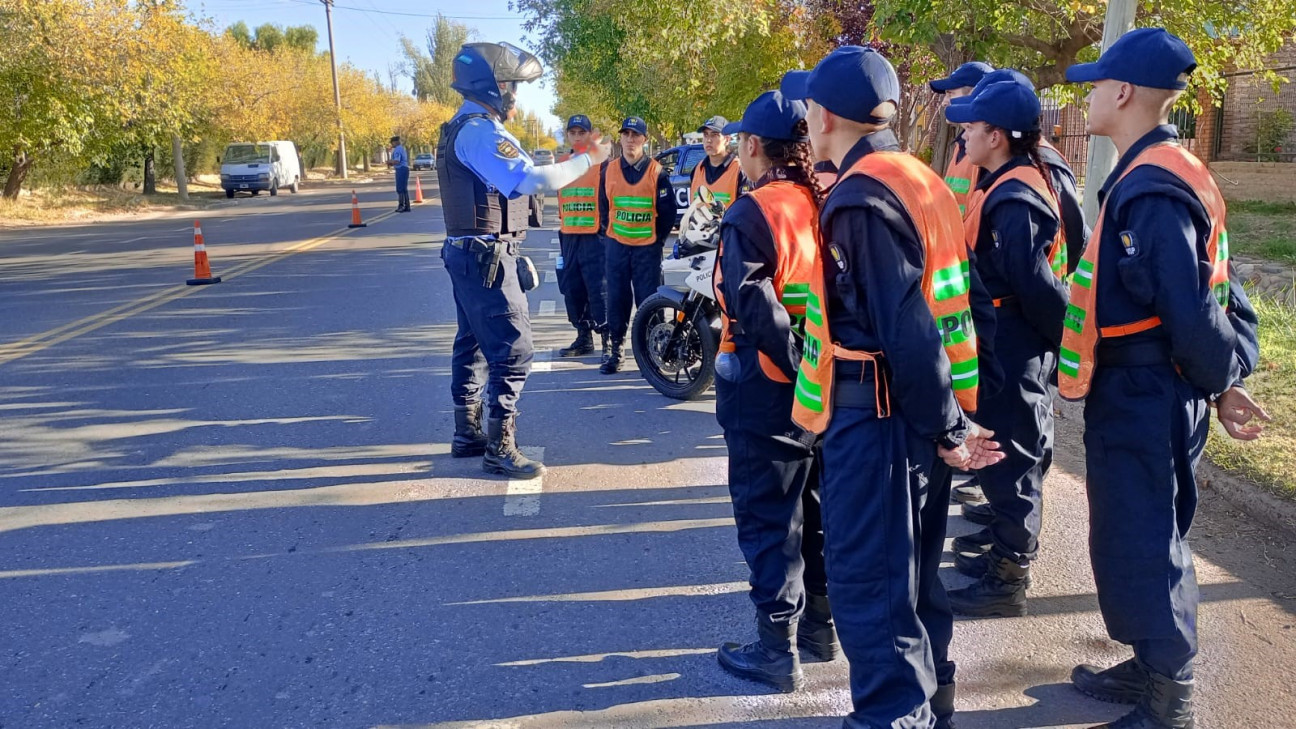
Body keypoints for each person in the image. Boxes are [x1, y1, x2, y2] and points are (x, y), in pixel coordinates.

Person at [783, 47, 1004, 729]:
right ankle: (932, 703)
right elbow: (958, 299)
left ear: (823, 115)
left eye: (807, 109)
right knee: (912, 578)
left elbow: (905, 328)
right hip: (915, 417)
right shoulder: (918, 176)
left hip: (880, 420)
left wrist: (947, 429)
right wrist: (952, 423)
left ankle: (893, 714)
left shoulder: (861, 198)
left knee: (870, 583)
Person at [1060, 28, 1266, 729]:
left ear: (1123, 93)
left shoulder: (1152, 186)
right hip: (1143, 388)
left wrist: (1222, 381)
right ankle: (1149, 665)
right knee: (1131, 530)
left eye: (1096, 84)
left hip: (1148, 392)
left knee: (1147, 536)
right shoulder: (1157, 168)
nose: (1087, 95)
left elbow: (1189, 307)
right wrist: (1219, 381)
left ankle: (1168, 697)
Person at [709, 90, 836, 693]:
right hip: (820, 382)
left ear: (754, 147)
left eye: (740, 141)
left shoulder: (756, 211)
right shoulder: (823, 201)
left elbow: (754, 307)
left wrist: (790, 369)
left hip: (766, 385)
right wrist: (811, 375)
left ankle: (775, 651)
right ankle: (818, 628)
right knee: (813, 509)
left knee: (767, 517)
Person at [435, 42, 610, 478]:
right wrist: (589, 159)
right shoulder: (478, 131)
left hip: (471, 254)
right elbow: (531, 179)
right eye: (509, 85)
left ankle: (468, 433)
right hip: (484, 257)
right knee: (514, 351)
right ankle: (499, 446)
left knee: (472, 342)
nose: (514, 94)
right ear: (489, 85)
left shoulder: (467, 126)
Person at [942, 80, 1070, 618]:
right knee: (1002, 456)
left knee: (1013, 458)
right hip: (1003, 338)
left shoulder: (1017, 196)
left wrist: (1060, 349)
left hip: (1015, 345)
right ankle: (1002, 550)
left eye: (972, 126)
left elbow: (1037, 287)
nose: (963, 133)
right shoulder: (1001, 182)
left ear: (996, 136)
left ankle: (1009, 578)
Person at [598, 116, 677, 374]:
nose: (631, 140)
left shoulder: (657, 172)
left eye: (636, 135)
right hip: (617, 248)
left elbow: (667, 213)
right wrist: (609, 239)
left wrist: (656, 242)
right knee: (617, 301)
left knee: (650, 302)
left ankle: (653, 353)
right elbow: (604, 208)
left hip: (647, 250)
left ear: (644, 139)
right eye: (626, 134)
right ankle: (616, 350)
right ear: (620, 138)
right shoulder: (608, 170)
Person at [555, 114, 609, 359]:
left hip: (595, 237)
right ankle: (583, 337)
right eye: (573, 133)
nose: (577, 137)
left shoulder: (601, 165)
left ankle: (610, 340)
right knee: (572, 290)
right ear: (568, 135)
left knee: (600, 291)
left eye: (581, 133)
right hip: (569, 237)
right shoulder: (562, 164)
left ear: (590, 135)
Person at [930, 61, 994, 216]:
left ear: (974, 94)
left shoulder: (986, 151)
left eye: (951, 94)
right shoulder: (961, 144)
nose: (944, 102)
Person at [690, 115, 746, 207]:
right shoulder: (697, 170)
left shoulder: (739, 170)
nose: (708, 140)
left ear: (727, 139)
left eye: (714, 135)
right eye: (705, 134)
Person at [389, 135, 411, 213]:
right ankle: (407, 205)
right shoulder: (402, 148)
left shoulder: (397, 150)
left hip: (401, 169)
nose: (392, 145)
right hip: (405, 169)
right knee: (404, 189)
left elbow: (397, 161)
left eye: (392, 143)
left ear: (395, 142)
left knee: (400, 189)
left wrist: (389, 162)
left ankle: (401, 206)